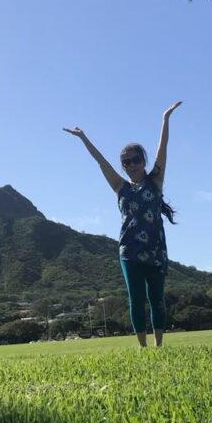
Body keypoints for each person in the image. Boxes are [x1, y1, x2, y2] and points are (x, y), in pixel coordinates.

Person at [63, 101, 182, 347]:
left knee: (156, 299)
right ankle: (143, 347)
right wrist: (83, 138)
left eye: (135, 160)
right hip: (129, 251)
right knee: (135, 299)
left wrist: (165, 119)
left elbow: (163, 150)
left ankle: (159, 346)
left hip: (156, 250)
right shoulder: (120, 186)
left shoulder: (155, 182)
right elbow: (101, 162)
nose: (131, 165)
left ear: (143, 161)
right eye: (126, 162)